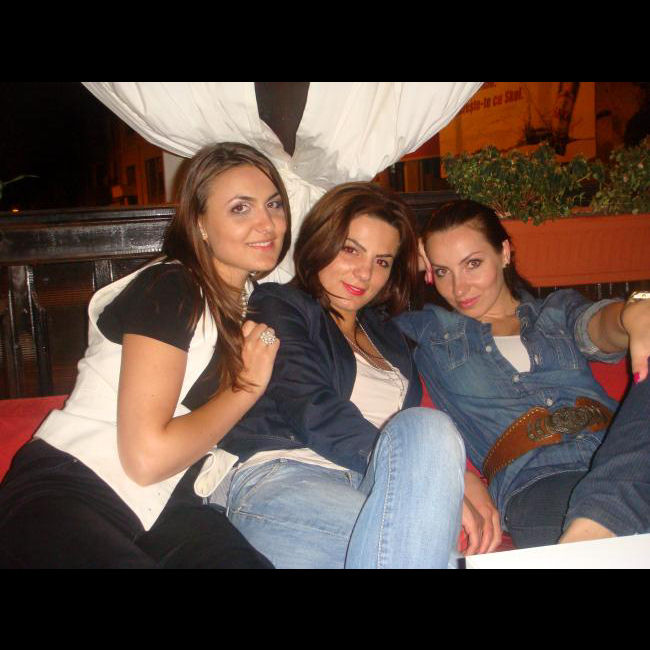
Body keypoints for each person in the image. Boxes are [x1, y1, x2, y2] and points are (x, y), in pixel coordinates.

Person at [0, 142, 292, 568]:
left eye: (274, 204)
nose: (267, 223)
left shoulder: (252, 304)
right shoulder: (171, 288)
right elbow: (145, 459)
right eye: (240, 208)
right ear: (200, 223)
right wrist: (246, 387)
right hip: (71, 490)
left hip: (170, 507)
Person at [213, 182, 488, 569]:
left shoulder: (388, 333)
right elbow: (311, 407)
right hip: (288, 478)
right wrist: (419, 479)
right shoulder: (280, 304)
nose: (364, 273)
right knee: (431, 552)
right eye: (350, 250)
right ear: (321, 242)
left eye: (382, 261)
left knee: (428, 427)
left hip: (373, 487)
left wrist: (458, 478)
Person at [397, 198, 650, 549]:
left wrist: (633, 313)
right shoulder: (429, 331)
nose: (459, 288)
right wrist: (403, 255)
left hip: (623, 452)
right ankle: (601, 525)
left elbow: (600, 328)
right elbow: (355, 297)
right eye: (442, 271)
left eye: (472, 264)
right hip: (538, 479)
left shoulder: (557, 312)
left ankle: (597, 528)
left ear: (504, 253)